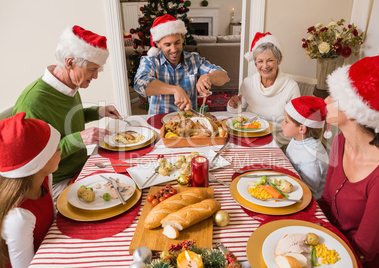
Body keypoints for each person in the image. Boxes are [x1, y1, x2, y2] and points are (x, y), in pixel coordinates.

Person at [13, 25, 123, 197]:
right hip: (54, 182)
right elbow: (34, 162)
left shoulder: (68, 86)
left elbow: (68, 120)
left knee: (127, 172)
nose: (95, 76)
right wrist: (79, 139)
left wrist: (97, 111)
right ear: (70, 62)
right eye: (92, 70)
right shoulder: (33, 101)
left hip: (80, 166)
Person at [318, 55, 379, 267]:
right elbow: (327, 200)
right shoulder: (340, 141)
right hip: (332, 246)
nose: (326, 101)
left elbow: (365, 249)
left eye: (333, 97)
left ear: (354, 111)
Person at [134, 14, 230, 115]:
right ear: (158, 43)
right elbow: (139, 84)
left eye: (177, 43)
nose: (174, 49)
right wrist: (175, 90)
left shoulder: (194, 59)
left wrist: (208, 77)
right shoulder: (150, 61)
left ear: (182, 39)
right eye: (167, 45)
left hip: (188, 123)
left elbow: (225, 76)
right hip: (159, 123)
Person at [0, 112, 61, 268]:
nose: (60, 151)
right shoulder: (19, 218)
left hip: (49, 249)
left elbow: (51, 219)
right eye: (55, 149)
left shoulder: (44, 178)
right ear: (36, 164)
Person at [227, 32, 300, 148]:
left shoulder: (290, 87)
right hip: (249, 135)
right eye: (260, 61)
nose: (265, 66)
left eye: (270, 60)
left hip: (277, 140)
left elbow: (296, 124)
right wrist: (234, 105)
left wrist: (268, 138)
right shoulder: (248, 83)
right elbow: (239, 114)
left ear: (279, 60)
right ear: (255, 63)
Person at [281, 96, 328, 199]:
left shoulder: (313, 158)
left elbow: (307, 192)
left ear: (302, 129)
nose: (282, 123)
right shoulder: (297, 139)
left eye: (286, 121)